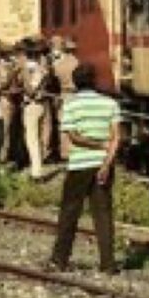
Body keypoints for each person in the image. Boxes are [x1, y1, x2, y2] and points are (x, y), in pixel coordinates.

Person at [48, 63, 122, 274]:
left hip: (80, 165)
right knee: (103, 215)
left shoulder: (71, 105)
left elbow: (73, 137)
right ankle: (108, 264)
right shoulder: (110, 104)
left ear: (75, 82)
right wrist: (106, 163)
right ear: (94, 81)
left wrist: (96, 145)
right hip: (103, 165)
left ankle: (60, 260)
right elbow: (116, 137)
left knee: (70, 212)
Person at [21, 40, 50, 179]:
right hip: (42, 104)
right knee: (37, 138)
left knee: (31, 139)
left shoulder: (29, 69)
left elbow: (30, 89)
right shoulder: (43, 68)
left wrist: (24, 82)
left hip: (31, 104)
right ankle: (38, 168)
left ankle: (36, 172)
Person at [50, 37, 79, 160]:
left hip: (63, 94)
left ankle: (64, 151)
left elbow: (53, 80)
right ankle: (74, 149)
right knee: (75, 124)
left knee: (63, 124)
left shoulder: (57, 65)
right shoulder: (77, 63)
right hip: (75, 95)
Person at [0, 43, 24, 164]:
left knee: (12, 129)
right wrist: (14, 73)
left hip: (12, 99)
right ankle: (3, 156)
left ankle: (10, 154)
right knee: (6, 129)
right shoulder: (3, 67)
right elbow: (2, 84)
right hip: (5, 100)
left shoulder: (9, 65)